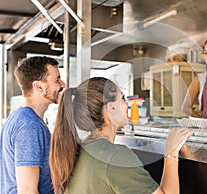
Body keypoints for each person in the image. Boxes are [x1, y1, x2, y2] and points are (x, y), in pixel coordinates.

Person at [49, 77, 192, 194]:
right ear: (111, 108)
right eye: (123, 98)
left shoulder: (76, 151)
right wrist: (171, 154)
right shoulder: (116, 157)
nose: (127, 104)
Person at [0, 56, 66, 194]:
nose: (63, 84)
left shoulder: (23, 118)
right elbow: (28, 191)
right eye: (57, 80)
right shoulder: (29, 126)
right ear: (38, 86)